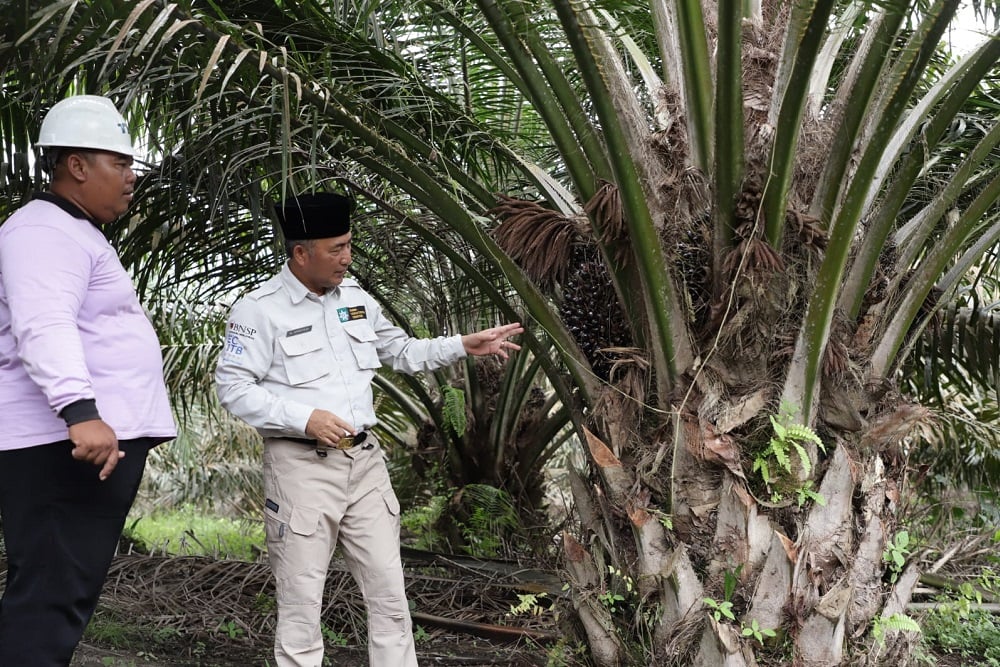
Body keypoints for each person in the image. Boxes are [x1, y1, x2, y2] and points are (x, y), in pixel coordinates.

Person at [215, 192, 523, 667]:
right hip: (301, 469)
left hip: (365, 466)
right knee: (300, 608)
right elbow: (233, 388)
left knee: (390, 599)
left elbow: (400, 352)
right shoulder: (259, 310)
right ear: (301, 252)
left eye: (349, 245)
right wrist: (305, 418)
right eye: (335, 248)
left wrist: (464, 344)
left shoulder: (355, 300)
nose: (346, 257)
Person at [0, 94, 176, 665]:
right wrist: (80, 411)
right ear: (77, 166)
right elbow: (44, 323)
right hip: (62, 445)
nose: (131, 178)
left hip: (73, 442)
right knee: (50, 599)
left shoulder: (75, 231)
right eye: (121, 164)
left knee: (55, 596)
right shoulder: (45, 230)